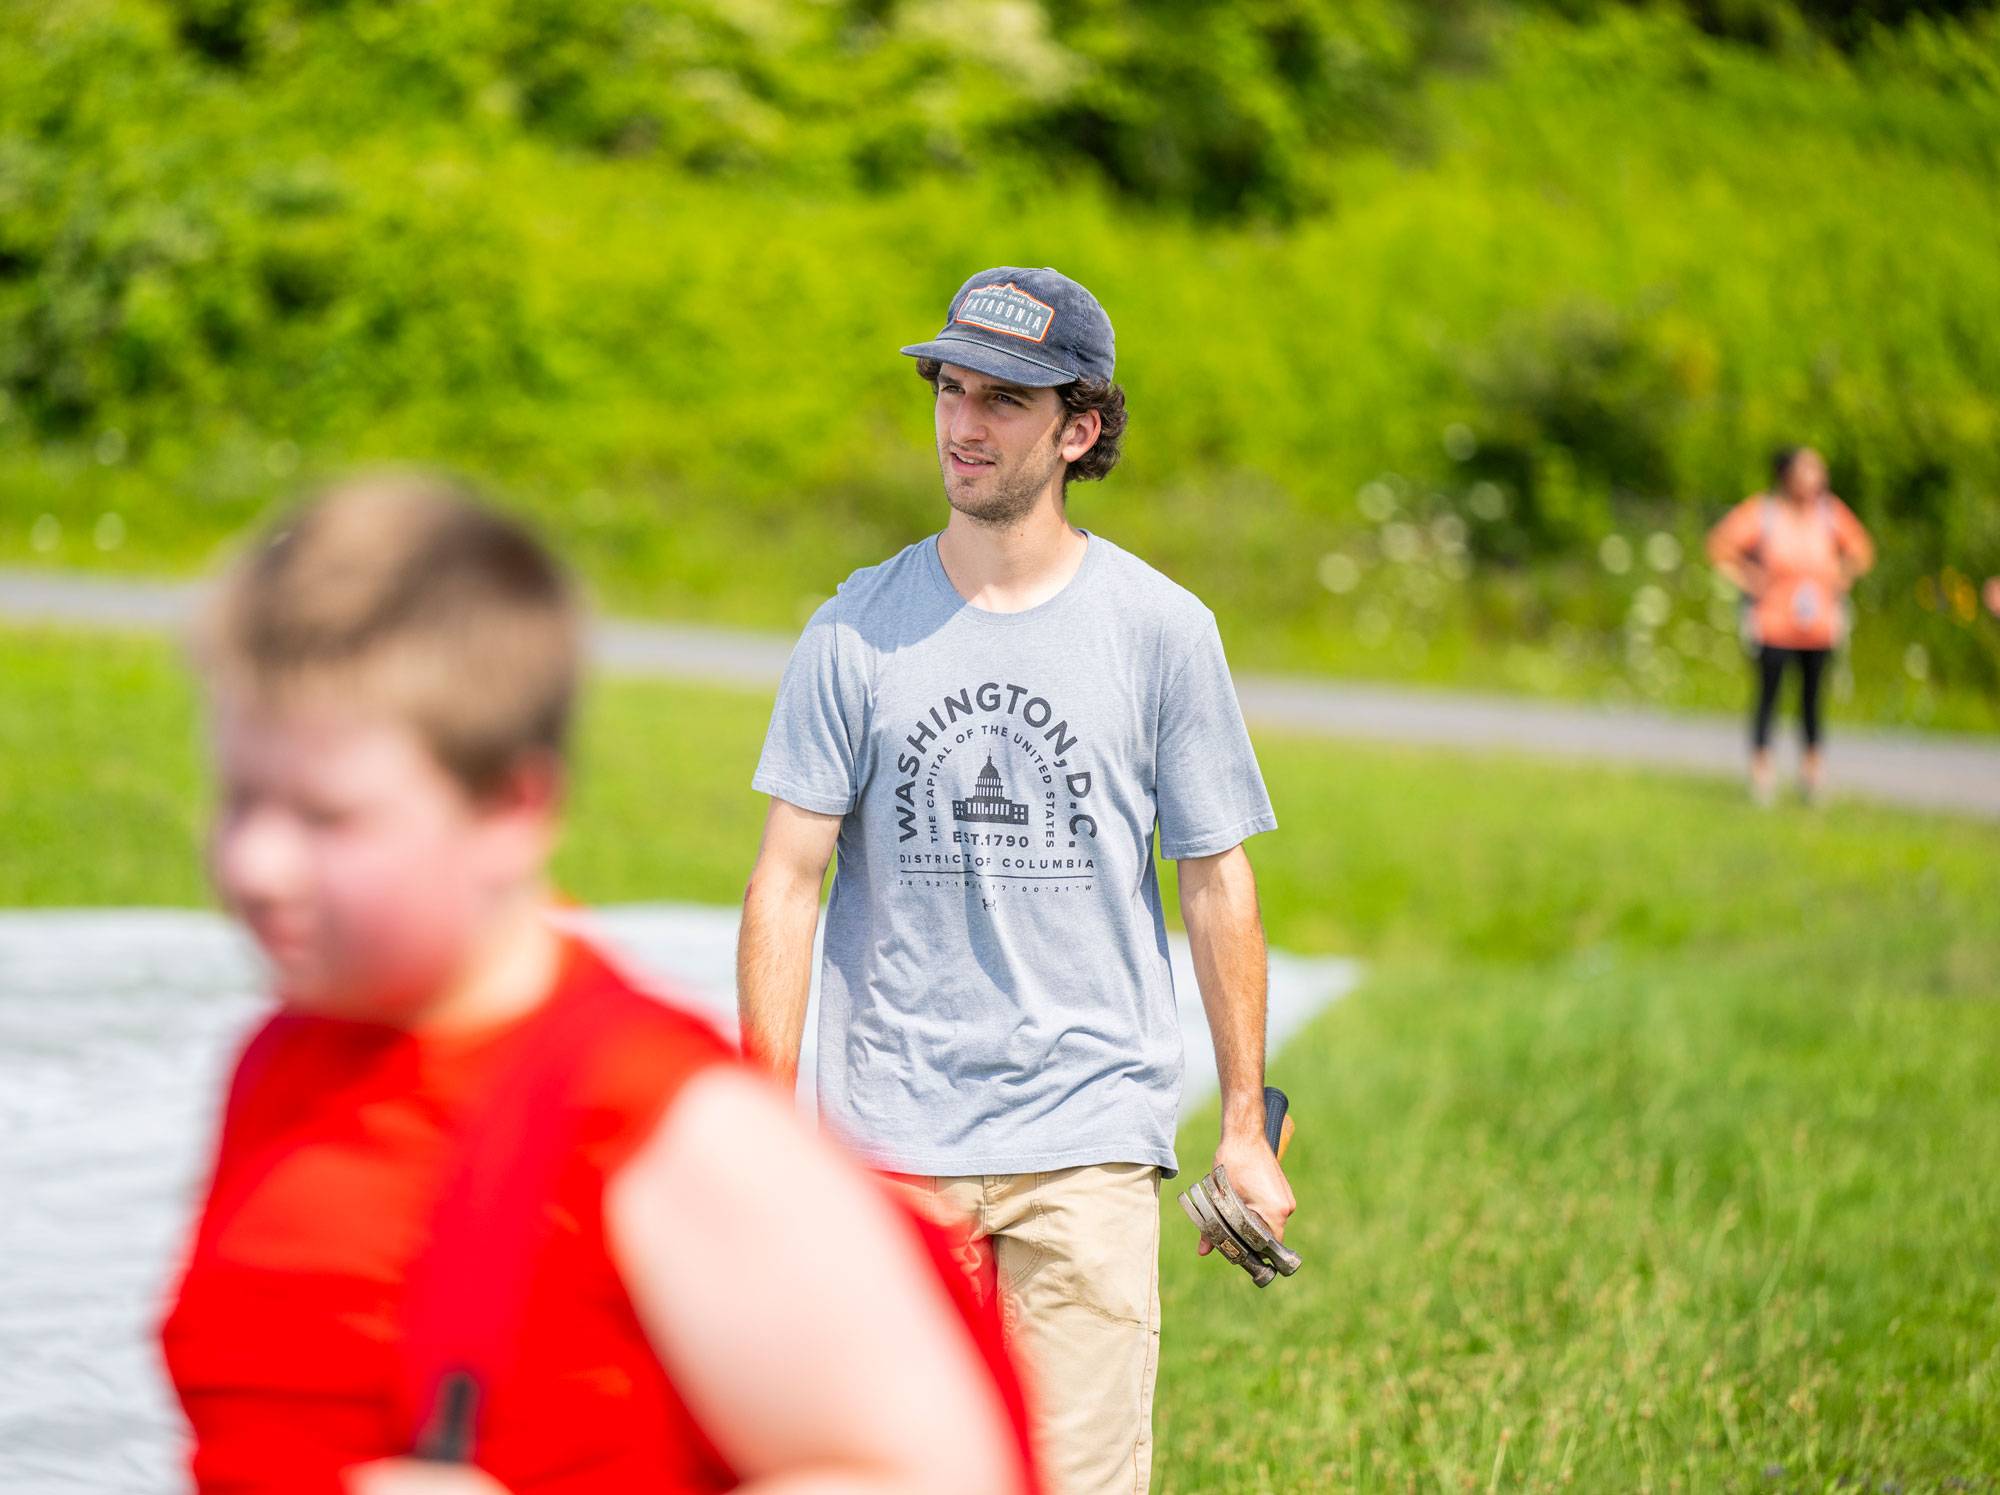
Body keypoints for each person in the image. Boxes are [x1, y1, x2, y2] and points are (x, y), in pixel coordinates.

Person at [160, 473, 1040, 1495]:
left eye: (325, 817)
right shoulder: (283, 1059)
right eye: (241, 796)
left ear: (513, 808)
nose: (257, 864)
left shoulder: (668, 1128)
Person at [737, 267, 1292, 1494]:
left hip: (1084, 1143)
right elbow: (785, 879)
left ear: (1078, 428)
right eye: (948, 388)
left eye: (1000, 399)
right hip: (888, 1143)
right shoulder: (853, 628)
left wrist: (1243, 1127)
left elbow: (1214, 880)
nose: (960, 423)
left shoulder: (1159, 631)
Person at [1707, 446, 1875, 804]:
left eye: (1818, 472)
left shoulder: (1830, 514)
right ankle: (1762, 772)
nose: (1815, 480)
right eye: (1807, 472)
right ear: (1787, 476)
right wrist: (1749, 577)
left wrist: (1841, 575)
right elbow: (1719, 546)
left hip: (1818, 625)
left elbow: (1862, 550)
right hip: (1774, 622)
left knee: (1812, 701)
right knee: (1769, 697)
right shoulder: (1764, 513)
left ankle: (1812, 773)